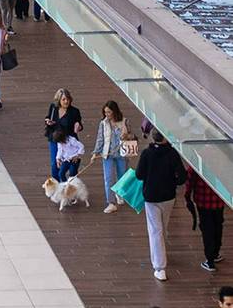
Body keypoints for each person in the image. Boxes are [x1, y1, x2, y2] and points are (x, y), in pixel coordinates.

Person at [136, 132, 187, 281]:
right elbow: (182, 177)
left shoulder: (147, 153)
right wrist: (173, 183)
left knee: (155, 230)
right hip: (168, 197)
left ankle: (159, 267)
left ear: (153, 138)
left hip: (151, 197)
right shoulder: (172, 154)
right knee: (162, 227)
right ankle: (161, 255)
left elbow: (139, 174)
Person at [185, 168, 227, 273]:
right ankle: (216, 253)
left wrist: (187, 195)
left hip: (203, 200)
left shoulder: (197, 160)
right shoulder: (220, 160)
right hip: (219, 199)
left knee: (207, 229)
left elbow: (190, 179)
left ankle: (210, 260)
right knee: (218, 225)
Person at [91, 100, 129, 214]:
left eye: (109, 112)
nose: (107, 115)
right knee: (108, 178)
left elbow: (133, 136)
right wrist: (95, 153)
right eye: (105, 112)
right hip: (107, 154)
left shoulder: (124, 121)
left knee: (122, 176)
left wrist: (127, 135)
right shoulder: (103, 123)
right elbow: (100, 139)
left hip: (121, 153)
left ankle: (119, 193)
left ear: (114, 111)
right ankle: (111, 203)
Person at [45, 90, 84, 178]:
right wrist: (47, 121)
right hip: (55, 138)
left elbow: (79, 124)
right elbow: (48, 117)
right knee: (55, 163)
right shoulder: (53, 107)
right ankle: (57, 186)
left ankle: (71, 186)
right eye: (63, 99)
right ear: (59, 100)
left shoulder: (74, 111)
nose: (66, 101)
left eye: (68, 99)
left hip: (69, 141)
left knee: (72, 165)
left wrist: (78, 126)